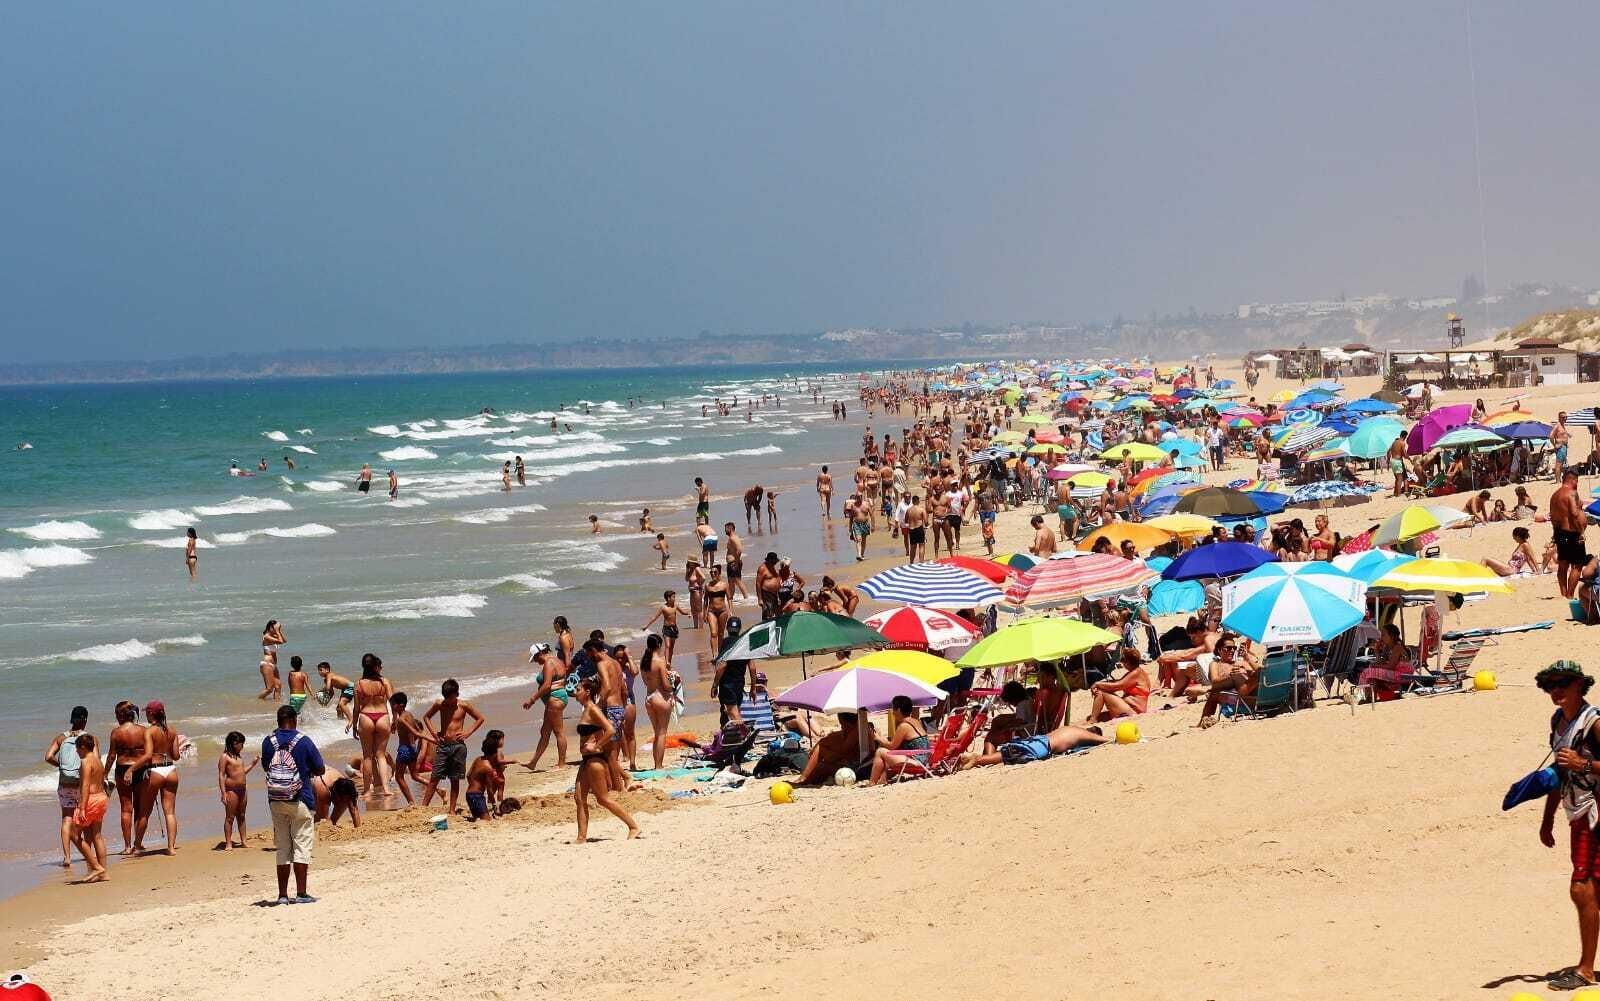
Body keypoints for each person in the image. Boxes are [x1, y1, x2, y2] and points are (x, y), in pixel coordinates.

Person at [1537, 661, 1600, 991]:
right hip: (1577, 813)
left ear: (1579, 684)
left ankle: (1586, 970)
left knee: (1582, 888)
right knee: (1591, 890)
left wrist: (1584, 763)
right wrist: (1547, 819)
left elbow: (1574, 765)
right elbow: (1558, 772)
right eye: (1549, 686)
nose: (1556, 691)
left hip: (1596, 812)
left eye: (1562, 683)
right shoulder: (1558, 722)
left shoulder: (1594, 723)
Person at [263, 703, 324, 906]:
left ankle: (282, 895)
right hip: (301, 798)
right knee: (301, 845)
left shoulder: (268, 742)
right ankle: (301, 893)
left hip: (276, 799)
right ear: (294, 720)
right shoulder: (304, 741)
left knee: (282, 847)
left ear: (278, 721)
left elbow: (266, 766)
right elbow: (320, 768)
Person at [571, 677, 641, 843]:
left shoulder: (593, 709)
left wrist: (596, 746)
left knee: (603, 799)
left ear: (587, 692)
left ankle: (633, 826)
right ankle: (581, 837)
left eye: (578, 689)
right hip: (586, 760)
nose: (575, 692)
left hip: (595, 760)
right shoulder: (586, 709)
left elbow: (610, 729)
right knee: (579, 798)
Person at [420, 679, 486, 817]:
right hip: (443, 745)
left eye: (450, 697)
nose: (448, 701)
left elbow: (480, 718)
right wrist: (434, 733)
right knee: (435, 777)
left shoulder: (464, 705)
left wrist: (468, 732)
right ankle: (423, 808)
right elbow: (426, 717)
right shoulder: (440, 704)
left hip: (458, 746)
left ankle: (452, 810)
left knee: (454, 779)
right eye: (446, 697)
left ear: (456, 694)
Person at [129, 700, 181, 856]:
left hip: (155, 771)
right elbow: (176, 756)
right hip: (171, 769)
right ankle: (171, 848)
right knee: (170, 812)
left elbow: (148, 755)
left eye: (146, 712)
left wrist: (131, 769)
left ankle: (137, 846)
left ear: (151, 713)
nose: (145, 714)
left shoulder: (149, 731)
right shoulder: (172, 730)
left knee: (144, 811)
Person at [44, 706, 89, 869]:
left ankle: (67, 857)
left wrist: (60, 766)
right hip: (81, 783)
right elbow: (94, 761)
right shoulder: (89, 738)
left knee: (66, 819)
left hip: (65, 783)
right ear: (85, 719)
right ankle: (86, 851)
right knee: (84, 817)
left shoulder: (61, 738)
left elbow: (48, 757)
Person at [957, 723, 1110, 768]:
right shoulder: (1081, 733)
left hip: (1039, 740)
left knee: (1009, 753)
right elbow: (1103, 740)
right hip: (1043, 746)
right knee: (1008, 755)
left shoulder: (1070, 728)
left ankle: (978, 759)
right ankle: (977, 760)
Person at [351, 652, 394, 803]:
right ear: (376, 666)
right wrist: (394, 719)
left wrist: (354, 725)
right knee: (381, 755)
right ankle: (387, 789)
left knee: (367, 756)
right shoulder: (384, 682)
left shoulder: (359, 684)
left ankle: (367, 791)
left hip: (366, 717)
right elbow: (393, 702)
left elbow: (356, 708)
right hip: (382, 716)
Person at [1196, 635, 1262, 728]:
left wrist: (1247, 658)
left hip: (1251, 691)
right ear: (1219, 650)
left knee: (1261, 672)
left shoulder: (1240, 663)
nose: (1232, 650)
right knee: (1240, 677)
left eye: (1234, 648)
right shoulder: (1215, 664)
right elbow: (1214, 680)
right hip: (1236, 696)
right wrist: (1230, 674)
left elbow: (1260, 673)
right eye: (1228, 648)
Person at [105, 701, 145, 854]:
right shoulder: (143, 730)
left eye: (116, 715)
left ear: (121, 715)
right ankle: (138, 844)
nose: (116, 718)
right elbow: (149, 753)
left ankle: (127, 847)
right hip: (141, 769)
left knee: (126, 809)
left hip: (122, 769)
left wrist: (104, 773)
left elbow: (111, 756)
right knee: (140, 808)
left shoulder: (116, 733)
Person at [68, 733, 109, 882]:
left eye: (77, 749)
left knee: (73, 834)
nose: (77, 752)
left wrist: (83, 808)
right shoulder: (98, 761)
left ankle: (96, 867)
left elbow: (85, 785)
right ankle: (103, 873)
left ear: (83, 747)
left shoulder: (85, 761)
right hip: (101, 797)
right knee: (97, 835)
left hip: (90, 800)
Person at [866, 696, 932, 785]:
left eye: (894, 709)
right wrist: (882, 738)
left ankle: (872, 783)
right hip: (925, 760)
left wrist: (878, 738)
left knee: (880, 752)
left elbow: (892, 746)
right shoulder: (916, 721)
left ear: (899, 710)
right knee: (890, 754)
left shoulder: (903, 726)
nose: (893, 713)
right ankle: (882, 780)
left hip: (917, 763)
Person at [797, 713, 876, 786]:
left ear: (846, 722)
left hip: (860, 770)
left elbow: (843, 751)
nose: (842, 727)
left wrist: (828, 755)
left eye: (842, 724)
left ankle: (804, 779)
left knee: (822, 765)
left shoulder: (857, 731)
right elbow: (835, 740)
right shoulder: (860, 727)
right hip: (859, 765)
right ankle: (804, 777)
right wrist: (825, 741)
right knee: (822, 747)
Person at [216, 730, 258, 850]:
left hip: (243, 790)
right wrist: (223, 793)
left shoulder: (239, 757)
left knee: (242, 816)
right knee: (230, 817)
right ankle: (228, 843)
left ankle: (243, 841)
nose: (242, 747)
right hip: (232, 790)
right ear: (234, 743)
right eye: (241, 744)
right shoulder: (225, 757)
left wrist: (253, 764)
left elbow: (242, 772)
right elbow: (221, 775)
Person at [1087, 647, 1151, 722]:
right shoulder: (1137, 672)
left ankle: (1092, 720)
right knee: (1100, 716)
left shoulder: (1135, 673)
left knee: (1101, 691)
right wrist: (1101, 683)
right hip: (1129, 708)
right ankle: (1093, 718)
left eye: (1123, 660)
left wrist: (1097, 684)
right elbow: (1117, 682)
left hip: (1134, 711)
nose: (1122, 664)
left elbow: (1116, 686)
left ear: (1128, 662)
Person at [641, 634, 677, 769]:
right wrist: (674, 683)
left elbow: (645, 682)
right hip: (660, 698)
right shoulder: (659, 661)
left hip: (649, 698)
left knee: (657, 733)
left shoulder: (644, 661)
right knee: (662, 733)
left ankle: (656, 763)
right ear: (659, 645)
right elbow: (666, 685)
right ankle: (659, 765)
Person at [1555, 469, 1589, 599]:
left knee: (1563, 564)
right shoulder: (1572, 493)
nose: (1577, 484)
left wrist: (1556, 534)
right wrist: (1581, 532)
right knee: (1578, 565)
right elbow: (1575, 515)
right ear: (1572, 480)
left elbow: (1554, 517)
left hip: (1559, 532)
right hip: (1572, 533)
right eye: (1577, 481)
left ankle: (1563, 594)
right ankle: (1570, 595)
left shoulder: (1555, 495)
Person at [387, 692, 424, 805]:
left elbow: (414, 732)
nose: (392, 707)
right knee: (415, 776)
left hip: (404, 750)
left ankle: (411, 802)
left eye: (393, 704)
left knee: (399, 777)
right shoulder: (409, 715)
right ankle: (438, 790)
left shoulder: (401, 719)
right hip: (412, 749)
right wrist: (416, 748)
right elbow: (419, 732)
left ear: (401, 705)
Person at [642, 590, 688, 663]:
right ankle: (667, 662)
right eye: (673, 597)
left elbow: (682, 612)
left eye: (674, 597)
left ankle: (669, 661)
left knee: (671, 647)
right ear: (668, 598)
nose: (674, 598)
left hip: (674, 628)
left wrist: (688, 613)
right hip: (666, 628)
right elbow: (654, 617)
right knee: (667, 646)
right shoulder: (663, 607)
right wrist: (646, 626)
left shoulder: (675, 605)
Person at [464, 737, 497, 822]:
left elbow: (468, 775)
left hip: (469, 794)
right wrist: (494, 804)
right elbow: (489, 790)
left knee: (477, 817)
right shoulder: (488, 768)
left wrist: (474, 785)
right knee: (486, 820)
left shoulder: (478, 759)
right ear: (494, 753)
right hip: (477, 796)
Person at [258, 620, 286, 701]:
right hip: (266, 664)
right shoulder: (266, 637)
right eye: (275, 628)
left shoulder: (274, 636)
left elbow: (284, 641)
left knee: (278, 686)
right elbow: (280, 641)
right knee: (269, 689)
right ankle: (257, 701)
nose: (276, 629)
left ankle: (276, 705)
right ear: (270, 627)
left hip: (274, 665)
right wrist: (277, 631)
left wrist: (279, 631)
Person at [724, 522, 748, 600]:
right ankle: (730, 598)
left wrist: (736, 562)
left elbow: (739, 550)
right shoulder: (732, 537)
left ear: (730, 528)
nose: (725, 531)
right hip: (732, 563)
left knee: (737, 581)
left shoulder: (733, 538)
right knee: (731, 582)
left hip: (733, 563)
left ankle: (746, 597)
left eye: (726, 529)